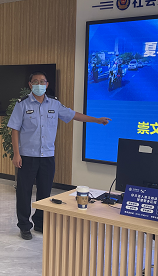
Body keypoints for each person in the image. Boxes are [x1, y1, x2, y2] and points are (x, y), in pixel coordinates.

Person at [8, 71, 111, 240]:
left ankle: (40, 222)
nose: (39, 84)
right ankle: (24, 226)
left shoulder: (54, 104)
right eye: (36, 82)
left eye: (42, 81)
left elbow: (74, 115)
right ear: (30, 84)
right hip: (27, 156)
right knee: (24, 193)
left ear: (47, 84)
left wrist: (97, 120)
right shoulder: (22, 104)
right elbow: (14, 129)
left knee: (44, 193)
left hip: (47, 156)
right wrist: (16, 154)